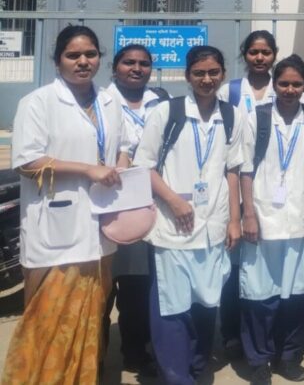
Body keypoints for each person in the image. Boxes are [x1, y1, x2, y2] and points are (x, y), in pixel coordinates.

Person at [3, 25, 122, 385]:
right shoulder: (38, 102)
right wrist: (87, 169)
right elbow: (26, 162)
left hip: (100, 225)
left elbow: (123, 146)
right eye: (73, 55)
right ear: (57, 61)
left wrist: (122, 165)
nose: (83, 61)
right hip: (54, 227)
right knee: (46, 322)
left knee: (91, 319)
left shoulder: (109, 102)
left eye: (90, 54)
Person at [135, 45, 244, 385]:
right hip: (174, 226)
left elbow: (233, 171)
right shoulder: (167, 112)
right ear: (187, 76)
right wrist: (174, 201)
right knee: (172, 305)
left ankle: (196, 368)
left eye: (213, 72)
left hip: (213, 227)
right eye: (199, 73)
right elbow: (144, 165)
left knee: (206, 303)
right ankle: (176, 376)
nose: (207, 79)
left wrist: (235, 219)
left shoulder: (232, 115)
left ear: (223, 74)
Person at [239, 55, 304, 383]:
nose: (290, 89)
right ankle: (259, 359)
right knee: (259, 293)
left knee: (295, 293)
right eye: (284, 83)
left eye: (296, 84)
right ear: (274, 84)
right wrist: (248, 214)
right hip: (263, 217)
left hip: (299, 218)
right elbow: (244, 169)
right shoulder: (256, 118)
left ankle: (289, 355)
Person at [107, 44, 167, 376]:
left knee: (138, 284)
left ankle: (136, 351)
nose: (136, 68)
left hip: (150, 200)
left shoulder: (161, 101)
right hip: (109, 200)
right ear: (115, 67)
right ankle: (94, 354)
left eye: (144, 63)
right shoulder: (102, 101)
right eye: (128, 62)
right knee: (104, 285)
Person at [219, 29, 279, 359]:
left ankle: (263, 332)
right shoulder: (230, 90)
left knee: (263, 265)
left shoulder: (282, 86)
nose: (260, 58)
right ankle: (231, 332)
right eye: (254, 52)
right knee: (233, 262)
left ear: (274, 55)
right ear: (245, 55)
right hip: (234, 181)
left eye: (265, 52)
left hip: (271, 186)